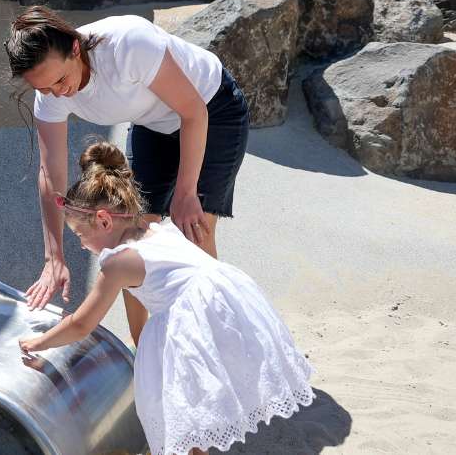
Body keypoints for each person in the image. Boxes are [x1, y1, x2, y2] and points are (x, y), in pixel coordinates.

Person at [18, 142, 313, 455]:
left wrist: (38, 343)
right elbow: (145, 289)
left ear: (104, 221)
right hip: (224, 300)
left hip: (190, 319)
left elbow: (81, 325)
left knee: (181, 410)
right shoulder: (152, 227)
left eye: (80, 234)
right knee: (205, 403)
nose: (81, 245)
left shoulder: (116, 263)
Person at [3, 6, 250, 324]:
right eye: (44, 88)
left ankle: (211, 334)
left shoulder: (128, 44)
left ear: (75, 48)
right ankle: (143, 347)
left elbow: (193, 112)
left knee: (195, 229)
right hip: (153, 122)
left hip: (212, 109)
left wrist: (186, 192)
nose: (57, 93)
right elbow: (50, 175)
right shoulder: (51, 95)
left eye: (60, 80)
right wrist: (54, 257)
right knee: (129, 236)